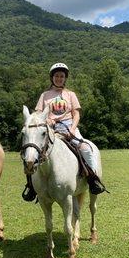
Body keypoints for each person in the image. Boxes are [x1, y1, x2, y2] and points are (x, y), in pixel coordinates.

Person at [26, 62, 106, 197]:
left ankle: (93, 180)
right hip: (50, 130)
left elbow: (76, 114)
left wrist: (73, 129)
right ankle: (32, 186)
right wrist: (47, 121)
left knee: (85, 148)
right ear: (52, 78)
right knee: (33, 152)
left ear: (65, 78)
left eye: (62, 76)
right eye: (57, 76)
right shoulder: (44, 95)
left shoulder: (71, 94)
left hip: (69, 127)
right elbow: (38, 116)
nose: (59, 78)